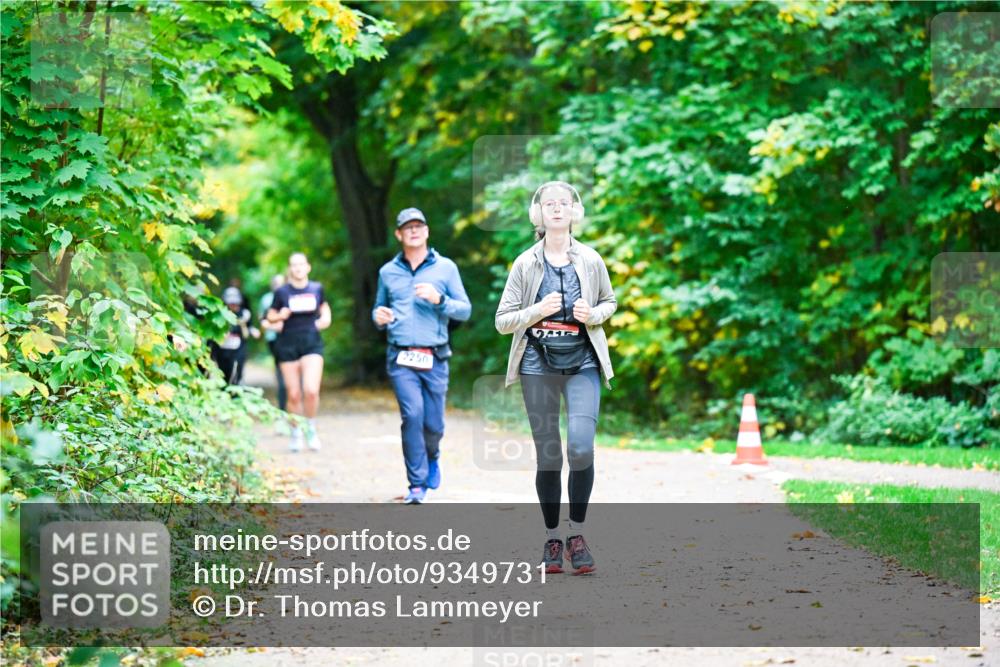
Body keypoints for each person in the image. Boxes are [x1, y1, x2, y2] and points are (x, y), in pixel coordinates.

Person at [494, 181, 617, 575]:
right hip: (537, 363)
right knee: (549, 454)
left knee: (580, 448)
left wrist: (592, 315)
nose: (558, 209)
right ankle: (552, 538)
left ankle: (576, 535)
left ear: (574, 211)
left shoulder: (591, 259)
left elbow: (609, 302)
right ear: (539, 213)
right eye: (550, 204)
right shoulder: (525, 263)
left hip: (583, 363)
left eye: (564, 203)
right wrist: (536, 310)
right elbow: (502, 321)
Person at [373, 207, 471, 504]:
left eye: (419, 226)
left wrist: (439, 299)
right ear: (399, 234)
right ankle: (416, 484)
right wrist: (378, 316)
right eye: (408, 227)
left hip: (435, 357)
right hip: (401, 357)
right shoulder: (387, 272)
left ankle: (432, 456)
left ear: (427, 232)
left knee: (434, 426)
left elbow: (465, 310)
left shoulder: (446, 268)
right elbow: (378, 309)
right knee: (412, 415)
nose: (414, 230)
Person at [267, 253, 331, 452]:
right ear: (290, 269)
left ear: (308, 267)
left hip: (311, 343)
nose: (298, 268)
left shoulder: (316, 288)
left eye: (301, 264)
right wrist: (280, 315)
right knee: (293, 394)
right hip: (287, 344)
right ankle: (295, 432)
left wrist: (325, 319)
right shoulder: (282, 292)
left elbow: (324, 307)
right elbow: (269, 316)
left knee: (311, 390)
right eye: (294, 265)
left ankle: (310, 428)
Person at [212, 286, 259, 385]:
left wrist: (251, 330)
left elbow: (248, 329)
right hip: (222, 349)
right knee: (223, 373)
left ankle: (236, 389)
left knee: (236, 372)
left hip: (238, 348)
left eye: (235, 303)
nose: (233, 305)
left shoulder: (244, 314)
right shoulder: (219, 314)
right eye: (231, 303)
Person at [259, 274, 288, 411]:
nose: (277, 285)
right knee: (281, 370)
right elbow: (262, 318)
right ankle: (283, 404)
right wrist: (271, 326)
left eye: (280, 283)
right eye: (275, 283)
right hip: (273, 339)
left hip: (291, 337)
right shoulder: (266, 299)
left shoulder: (289, 295)